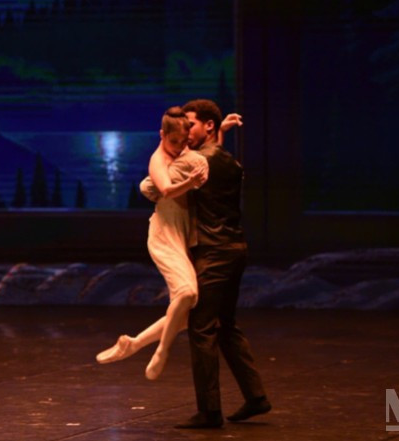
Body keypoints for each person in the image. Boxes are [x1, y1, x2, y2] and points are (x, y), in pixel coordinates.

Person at [157, 99, 271, 429]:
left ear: (207, 125)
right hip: (235, 249)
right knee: (226, 325)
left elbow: (158, 185)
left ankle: (209, 411)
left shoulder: (195, 161)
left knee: (202, 327)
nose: (183, 131)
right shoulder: (228, 161)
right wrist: (220, 133)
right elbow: (211, 156)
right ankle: (256, 396)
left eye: (189, 124)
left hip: (214, 252)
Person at [95, 106, 208, 380]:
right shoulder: (158, 160)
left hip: (182, 235)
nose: (179, 147)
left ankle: (132, 344)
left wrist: (222, 129)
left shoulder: (182, 155)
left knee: (184, 315)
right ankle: (162, 351)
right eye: (173, 142)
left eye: (183, 142)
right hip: (164, 235)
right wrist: (192, 182)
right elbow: (167, 189)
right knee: (187, 294)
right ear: (162, 135)